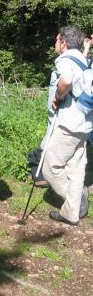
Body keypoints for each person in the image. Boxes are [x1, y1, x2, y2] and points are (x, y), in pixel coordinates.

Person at [43, 26, 90, 226]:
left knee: (49, 166)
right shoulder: (84, 60)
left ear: (64, 42)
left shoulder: (65, 59)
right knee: (76, 168)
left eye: (57, 38)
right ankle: (71, 213)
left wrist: (58, 96)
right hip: (86, 124)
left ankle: (76, 200)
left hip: (68, 124)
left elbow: (67, 80)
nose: (55, 42)